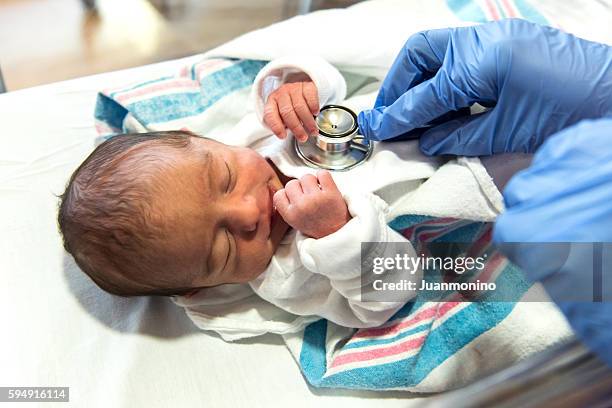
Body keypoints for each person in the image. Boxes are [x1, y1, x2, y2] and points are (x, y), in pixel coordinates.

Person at [343, 19, 612, 365]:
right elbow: (379, 290)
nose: (249, 212)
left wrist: (296, 79)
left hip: (493, 179)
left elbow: (312, 77)